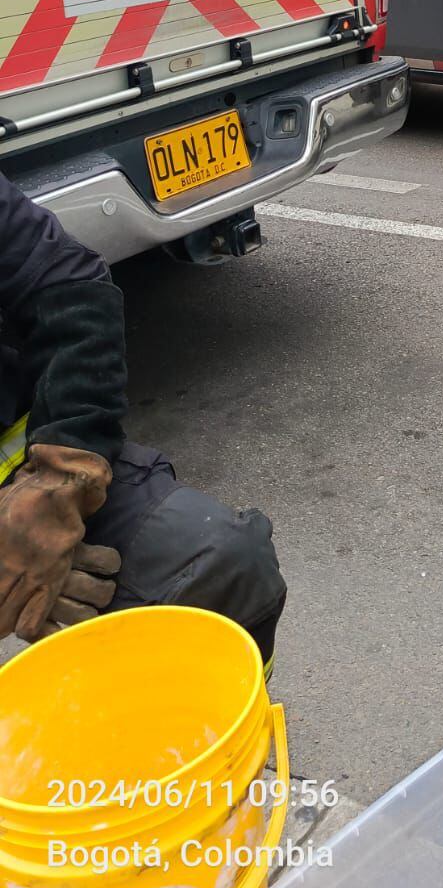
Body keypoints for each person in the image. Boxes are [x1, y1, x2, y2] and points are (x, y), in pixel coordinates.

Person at [0, 171, 286, 664]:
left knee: (222, 567)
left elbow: (69, 285)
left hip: (22, 484)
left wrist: (60, 479)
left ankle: (211, 737)